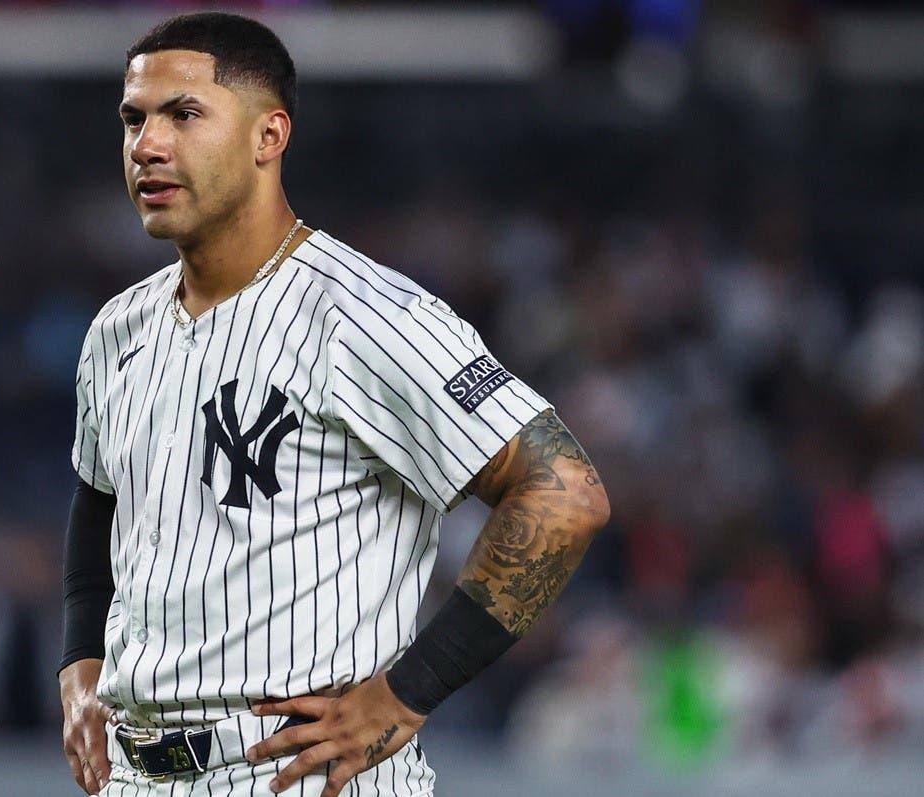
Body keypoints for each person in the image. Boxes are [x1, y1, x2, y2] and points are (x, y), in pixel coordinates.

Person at [58, 11, 610, 797]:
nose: (148, 144)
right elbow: (97, 504)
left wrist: (409, 690)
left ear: (267, 136)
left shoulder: (363, 315)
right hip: (136, 777)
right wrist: (80, 664)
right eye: (133, 118)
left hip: (300, 774)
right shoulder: (119, 328)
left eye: (183, 114)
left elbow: (564, 494)